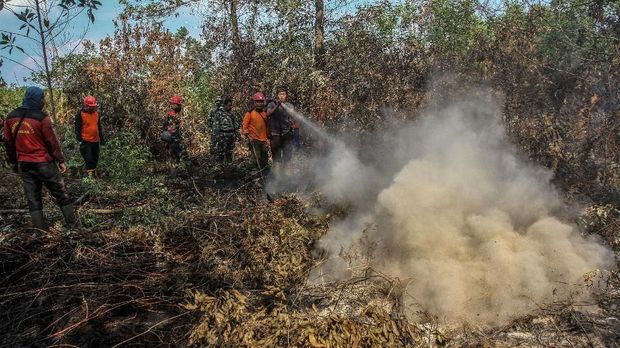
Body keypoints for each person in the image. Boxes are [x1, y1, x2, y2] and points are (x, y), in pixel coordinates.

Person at [2, 86, 76, 229]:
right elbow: (51, 142)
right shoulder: (42, 118)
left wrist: (13, 162)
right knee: (60, 192)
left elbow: (8, 143)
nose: (43, 101)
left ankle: (40, 230)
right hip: (44, 164)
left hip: (24, 164)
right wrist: (60, 160)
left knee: (33, 197)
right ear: (36, 99)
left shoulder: (11, 117)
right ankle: (73, 225)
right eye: (42, 98)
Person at [266, 87, 295, 176]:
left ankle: (288, 179)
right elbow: (268, 113)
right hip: (275, 135)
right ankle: (277, 179)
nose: (282, 96)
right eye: (280, 94)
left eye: (283, 94)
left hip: (286, 134)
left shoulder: (289, 105)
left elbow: (292, 113)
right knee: (277, 159)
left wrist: (283, 105)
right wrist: (277, 105)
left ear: (286, 95)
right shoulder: (272, 104)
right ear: (277, 95)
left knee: (288, 158)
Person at [75, 95, 104, 177]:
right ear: (86, 106)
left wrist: (102, 139)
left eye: (93, 106)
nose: (92, 108)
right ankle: (90, 177)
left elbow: (98, 127)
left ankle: (93, 174)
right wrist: (80, 141)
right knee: (89, 159)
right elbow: (77, 128)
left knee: (95, 159)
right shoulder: (80, 114)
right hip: (85, 141)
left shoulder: (96, 114)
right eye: (90, 107)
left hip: (95, 141)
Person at [242, 92, 269, 170]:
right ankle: (255, 176)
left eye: (261, 102)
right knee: (256, 159)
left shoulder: (264, 114)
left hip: (263, 139)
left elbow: (267, 126)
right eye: (257, 102)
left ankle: (265, 175)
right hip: (254, 139)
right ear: (254, 102)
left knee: (264, 159)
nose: (259, 104)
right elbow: (245, 125)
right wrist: (248, 135)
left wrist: (268, 138)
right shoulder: (249, 113)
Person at [211, 98, 237, 163]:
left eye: (231, 105)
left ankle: (229, 165)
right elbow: (216, 126)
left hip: (231, 135)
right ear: (225, 105)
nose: (230, 107)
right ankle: (221, 167)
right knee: (221, 153)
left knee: (229, 152)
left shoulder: (231, 114)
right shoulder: (219, 113)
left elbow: (235, 124)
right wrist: (216, 137)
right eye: (229, 105)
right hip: (222, 135)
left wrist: (237, 134)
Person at [162, 95, 185, 162]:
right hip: (174, 140)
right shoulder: (173, 116)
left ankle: (174, 172)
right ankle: (191, 171)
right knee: (185, 156)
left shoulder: (170, 113)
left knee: (173, 159)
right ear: (175, 105)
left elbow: (165, 126)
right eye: (179, 105)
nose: (180, 107)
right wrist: (177, 141)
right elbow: (173, 130)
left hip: (169, 140)